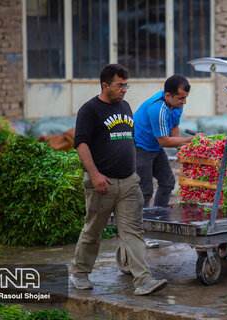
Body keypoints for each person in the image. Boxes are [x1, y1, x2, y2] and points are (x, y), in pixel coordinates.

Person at [70, 63, 167, 296]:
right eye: (120, 85)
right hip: (102, 183)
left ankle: (143, 280)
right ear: (105, 85)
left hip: (128, 183)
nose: (125, 89)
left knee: (133, 232)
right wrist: (94, 175)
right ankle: (79, 273)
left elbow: (129, 140)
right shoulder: (89, 110)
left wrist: (133, 172)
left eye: (126, 85)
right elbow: (81, 144)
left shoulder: (125, 107)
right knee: (93, 230)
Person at [133, 74, 203, 208]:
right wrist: (191, 140)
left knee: (168, 182)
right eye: (181, 98)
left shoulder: (177, 104)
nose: (184, 102)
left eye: (185, 98)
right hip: (140, 146)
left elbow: (174, 128)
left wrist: (182, 152)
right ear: (168, 95)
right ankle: (141, 225)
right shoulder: (157, 109)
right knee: (145, 190)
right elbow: (164, 141)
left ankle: (159, 216)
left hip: (155, 145)